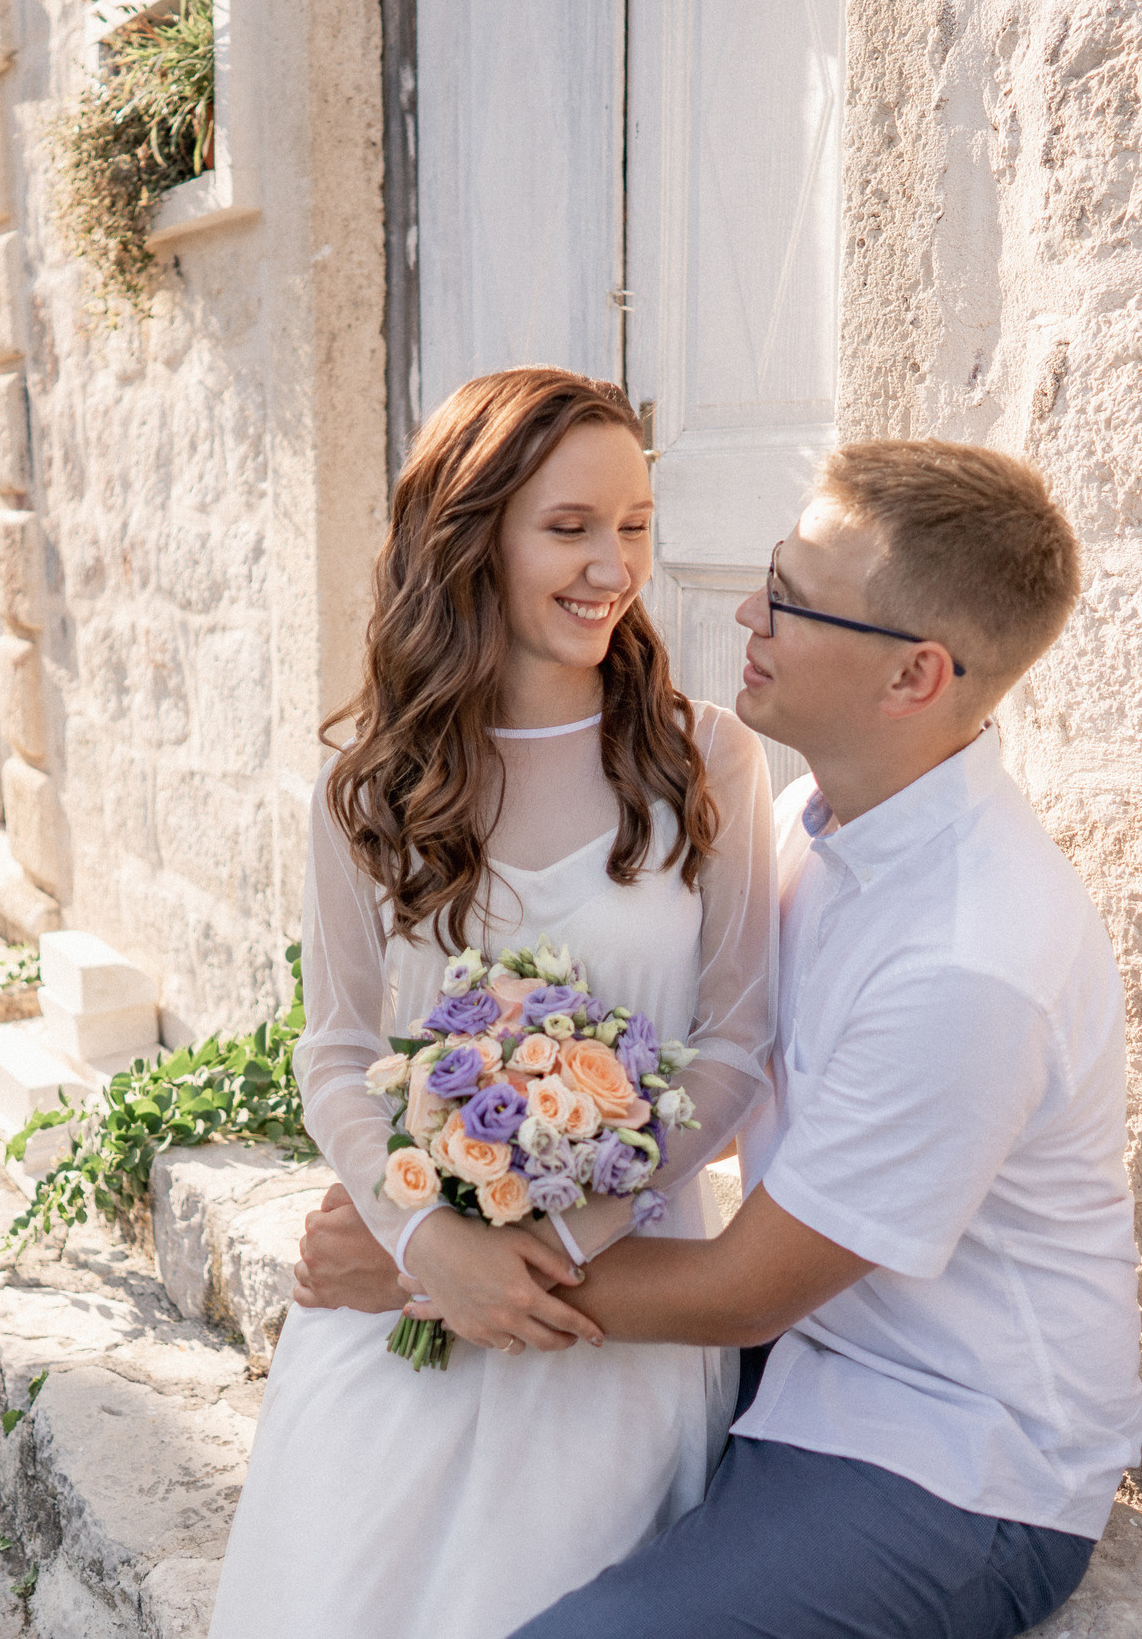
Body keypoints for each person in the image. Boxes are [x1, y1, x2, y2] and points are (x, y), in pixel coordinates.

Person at [296, 439, 1142, 1639]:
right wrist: (436, 1206)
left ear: (914, 679)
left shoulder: (969, 959)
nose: (745, 607)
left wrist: (418, 1263)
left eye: (791, 599)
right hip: (802, 1357)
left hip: (944, 1446)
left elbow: (746, 1292)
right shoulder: (810, 820)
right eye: (770, 570)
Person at [207, 368, 779, 1639]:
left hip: (611, 1324)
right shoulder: (369, 791)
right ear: (470, 537)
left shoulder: (704, 758)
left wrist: (558, 1243)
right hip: (411, 1307)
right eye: (568, 527)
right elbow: (340, 1052)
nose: (611, 565)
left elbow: (737, 1046)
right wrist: (427, 1245)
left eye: (631, 524)